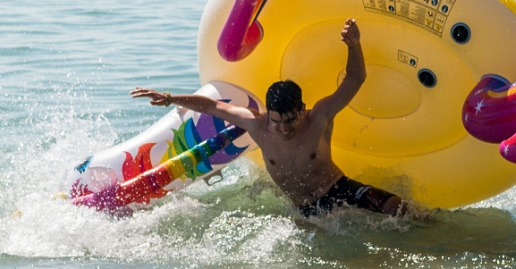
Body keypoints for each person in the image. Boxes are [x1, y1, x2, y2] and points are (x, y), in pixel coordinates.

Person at [131, 18, 409, 218]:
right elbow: (212, 107)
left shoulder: (320, 116)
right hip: (304, 210)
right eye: (277, 121)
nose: (284, 128)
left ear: (302, 110)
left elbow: (354, 79)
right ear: (268, 114)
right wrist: (170, 98)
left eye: (291, 120)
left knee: (399, 210)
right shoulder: (256, 123)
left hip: (338, 189)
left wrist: (354, 44)